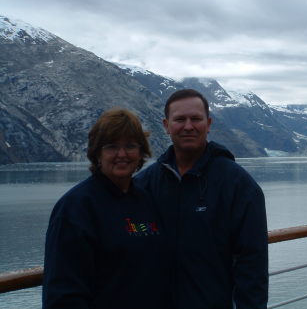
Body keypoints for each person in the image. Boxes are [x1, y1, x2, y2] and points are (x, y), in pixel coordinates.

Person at [134, 89, 269, 309]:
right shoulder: (145, 184)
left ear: (208, 124)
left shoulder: (238, 185)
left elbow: (252, 264)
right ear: (166, 126)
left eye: (196, 119)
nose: (188, 126)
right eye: (180, 119)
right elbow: (135, 236)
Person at [43, 108, 171, 309]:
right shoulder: (76, 207)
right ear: (97, 153)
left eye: (130, 146)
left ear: (141, 152)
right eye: (111, 146)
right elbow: (63, 294)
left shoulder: (146, 201)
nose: (122, 154)